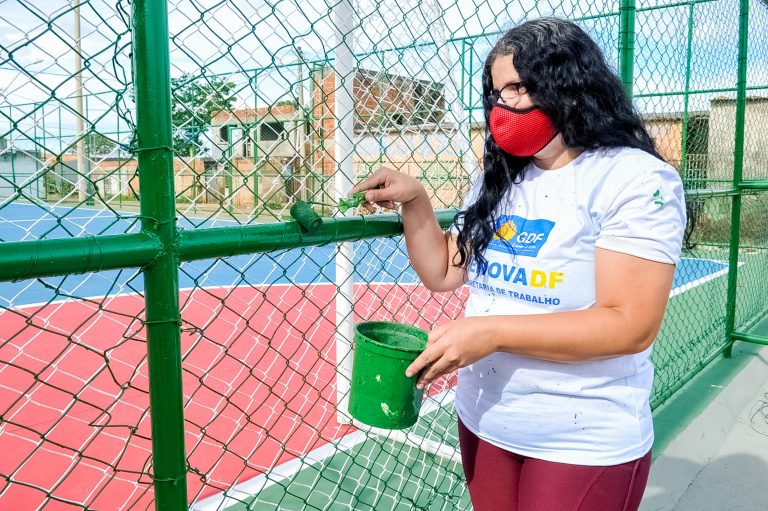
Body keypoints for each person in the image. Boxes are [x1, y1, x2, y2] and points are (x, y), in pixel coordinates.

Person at [351, 17, 689, 511]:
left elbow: (630, 325)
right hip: (485, 419)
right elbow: (444, 270)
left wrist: (490, 333)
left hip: (581, 437)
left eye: (518, 87)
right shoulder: (501, 177)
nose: (501, 105)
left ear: (569, 86)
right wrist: (416, 200)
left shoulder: (633, 178)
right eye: (495, 92)